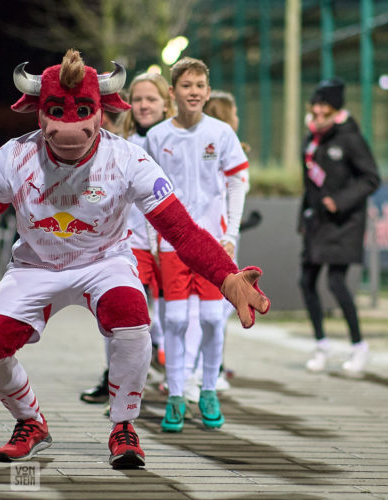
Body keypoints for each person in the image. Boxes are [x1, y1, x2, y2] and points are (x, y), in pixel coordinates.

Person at [0, 49, 269, 468]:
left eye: (83, 110)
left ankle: (124, 425)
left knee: (133, 318)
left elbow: (181, 230)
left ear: (102, 112)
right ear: (39, 113)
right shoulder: (12, 158)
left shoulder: (129, 159)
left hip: (103, 261)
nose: (70, 124)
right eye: (56, 110)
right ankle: (30, 420)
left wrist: (226, 277)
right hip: (35, 265)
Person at [145, 57, 250, 433]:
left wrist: (231, 234)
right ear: (172, 92)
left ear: (207, 91)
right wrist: (152, 238)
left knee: (209, 318)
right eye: (186, 86)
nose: (193, 92)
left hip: (212, 247)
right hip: (172, 246)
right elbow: (146, 192)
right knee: (172, 320)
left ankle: (207, 390)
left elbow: (239, 182)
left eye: (200, 86)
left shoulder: (221, 133)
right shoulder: (157, 136)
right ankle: (175, 396)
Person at [80, 72, 173, 405]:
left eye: (152, 99)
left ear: (166, 102)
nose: (144, 105)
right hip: (129, 243)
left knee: (171, 317)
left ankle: (184, 378)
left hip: (168, 243)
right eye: (138, 99)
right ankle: (115, 379)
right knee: (120, 311)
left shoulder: (175, 141)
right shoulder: (120, 144)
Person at [299, 77, 380, 375]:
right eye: (316, 104)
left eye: (325, 105)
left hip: (344, 224)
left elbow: (371, 178)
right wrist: (303, 219)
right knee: (306, 282)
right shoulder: (312, 138)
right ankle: (321, 345)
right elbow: (309, 186)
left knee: (335, 282)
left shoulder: (349, 137)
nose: (318, 111)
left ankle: (359, 347)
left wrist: (340, 201)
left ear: (336, 108)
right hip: (316, 223)